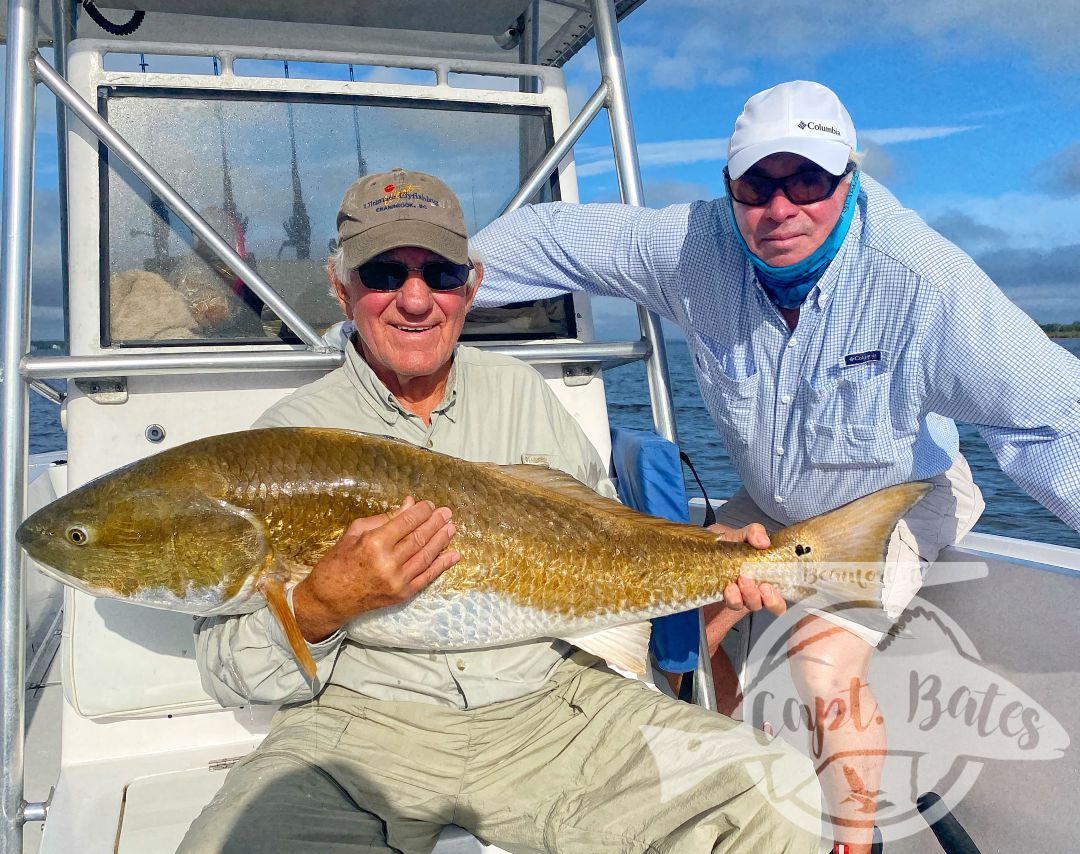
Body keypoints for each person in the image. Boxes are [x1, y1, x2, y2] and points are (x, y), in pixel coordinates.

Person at [470, 81, 1080, 853]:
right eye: (758, 184)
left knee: (821, 666)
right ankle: (732, 763)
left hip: (890, 500)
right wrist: (435, 289)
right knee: (679, 620)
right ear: (729, 189)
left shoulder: (927, 286)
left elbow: (1056, 419)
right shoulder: (692, 248)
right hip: (771, 499)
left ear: (849, 179)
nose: (781, 207)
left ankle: (851, 842)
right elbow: (551, 237)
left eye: (809, 181)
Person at [179, 168, 822, 854]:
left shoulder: (523, 393)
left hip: (557, 710)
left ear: (473, 286)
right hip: (360, 731)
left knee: (773, 790)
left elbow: (610, 537)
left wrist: (708, 556)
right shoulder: (288, 442)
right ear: (341, 289)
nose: (417, 300)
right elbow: (228, 670)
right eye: (384, 273)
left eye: (443, 274)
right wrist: (318, 606)